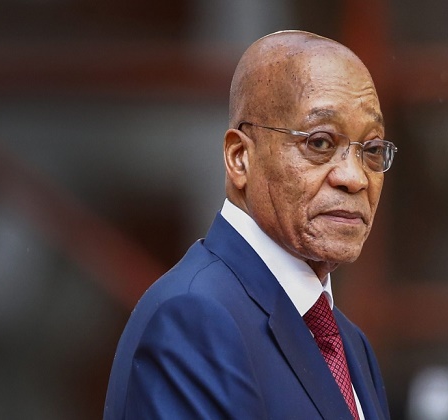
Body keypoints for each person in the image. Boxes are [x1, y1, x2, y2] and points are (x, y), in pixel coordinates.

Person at [103, 30, 396, 419]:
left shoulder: (350, 344)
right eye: (320, 143)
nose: (355, 177)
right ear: (240, 157)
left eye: (371, 149)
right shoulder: (194, 318)